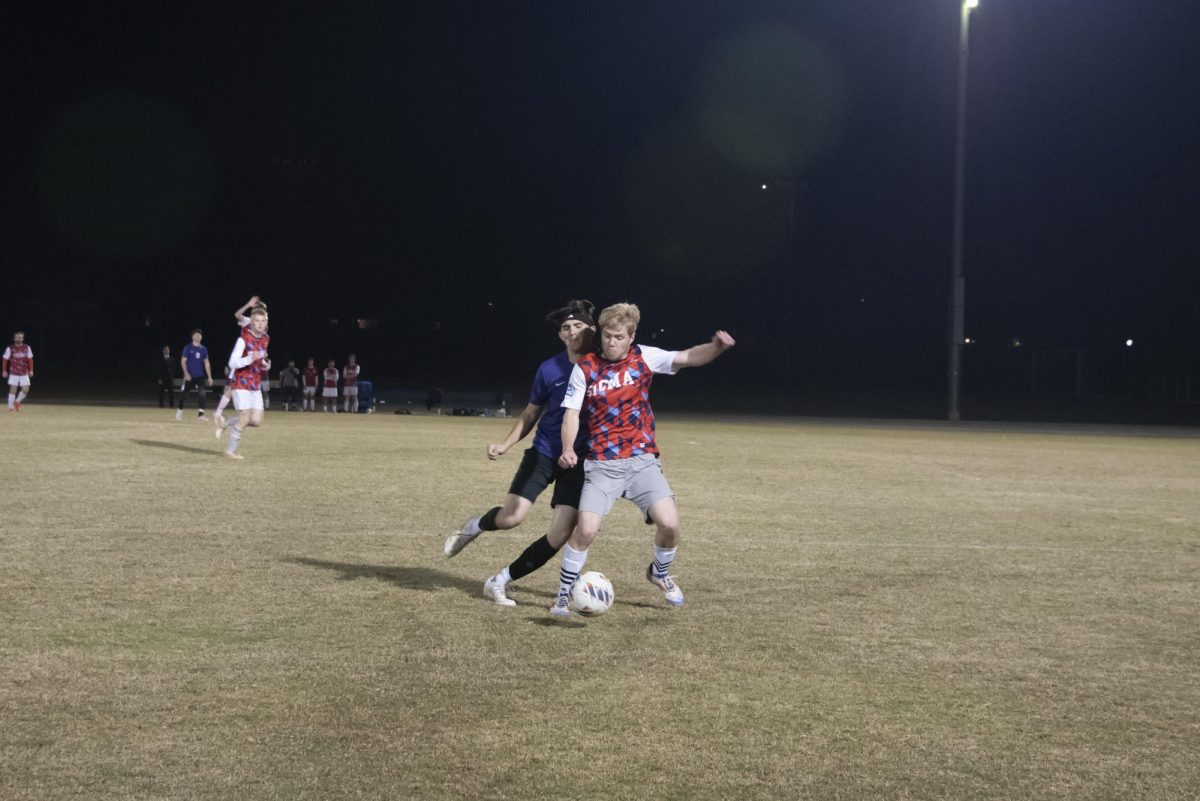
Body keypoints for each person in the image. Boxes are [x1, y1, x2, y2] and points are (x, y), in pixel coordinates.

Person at [548, 302, 735, 618]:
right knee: (587, 530)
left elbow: (688, 357)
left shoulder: (643, 357)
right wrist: (568, 448)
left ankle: (660, 573)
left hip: (641, 462)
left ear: (631, 337)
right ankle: (564, 595)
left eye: (619, 337)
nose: (611, 342)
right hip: (602, 464)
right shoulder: (586, 368)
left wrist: (716, 348)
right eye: (607, 336)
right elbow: (572, 413)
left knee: (671, 524)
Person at [443, 300, 597, 607]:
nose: (571, 331)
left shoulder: (604, 367)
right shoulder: (549, 368)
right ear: (561, 336)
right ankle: (476, 526)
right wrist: (505, 443)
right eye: (566, 327)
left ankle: (499, 580)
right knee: (512, 517)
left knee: (561, 532)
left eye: (578, 325)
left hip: (579, 461)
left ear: (592, 330)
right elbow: (530, 414)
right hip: (544, 452)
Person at [223, 306, 271, 460]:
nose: (260, 324)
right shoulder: (243, 339)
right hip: (241, 381)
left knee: (256, 421)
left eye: (263, 321)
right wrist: (250, 358)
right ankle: (230, 451)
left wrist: (264, 364)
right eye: (257, 321)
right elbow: (232, 363)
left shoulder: (266, 338)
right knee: (245, 417)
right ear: (251, 323)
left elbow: (260, 357)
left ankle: (227, 422)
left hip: (255, 383)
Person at [215, 297, 262, 432]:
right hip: (242, 362)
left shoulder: (263, 327)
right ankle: (218, 414)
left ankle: (221, 417)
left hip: (253, 367)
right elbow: (237, 315)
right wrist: (248, 304)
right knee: (232, 387)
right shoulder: (247, 321)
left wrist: (264, 361)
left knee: (254, 418)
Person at [176, 329, 212, 421]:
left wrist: (209, 377)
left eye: (199, 335)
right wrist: (186, 373)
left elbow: (206, 362)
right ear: (192, 337)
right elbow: (183, 362)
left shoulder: (204, 349)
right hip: (189, 376)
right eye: (196, 335)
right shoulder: (188, 348)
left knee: (202, 394)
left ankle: (201, 415)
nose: (198, 337)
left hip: (200, 376)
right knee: (184, 395)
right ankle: (179, 411)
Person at [3, 331, 34, 412]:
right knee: (13, 389)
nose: (18, 338)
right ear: (14, 338)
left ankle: (17, 401)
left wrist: (31, 370)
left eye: (20, 337)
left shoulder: (27, 347)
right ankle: (10, 407)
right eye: (17, 337)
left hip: (24, 372)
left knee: (25, 390)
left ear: (23, 338)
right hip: (14, 372)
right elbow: (5, 360)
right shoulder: (10, 348)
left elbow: (30, 359)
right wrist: (4, 370)